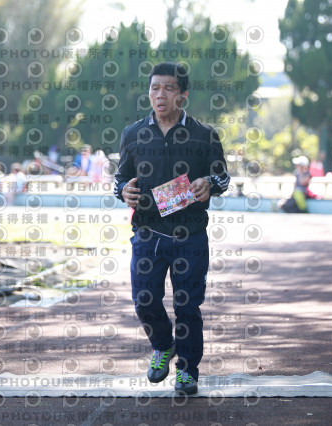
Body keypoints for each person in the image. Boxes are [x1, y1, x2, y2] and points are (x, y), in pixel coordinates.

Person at [114, 62, 230, 395]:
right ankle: (164, 344)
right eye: (154, 88)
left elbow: (223, 178)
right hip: (147, 233)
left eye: (168, 88)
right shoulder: (133, 134)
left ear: (183, 95)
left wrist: (209, 183)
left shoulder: (204, 135)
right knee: (144, 300)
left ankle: (188, 371)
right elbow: (121, 178)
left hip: (189, 235)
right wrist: (122, 190)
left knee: (187, 306)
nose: (160, 95)